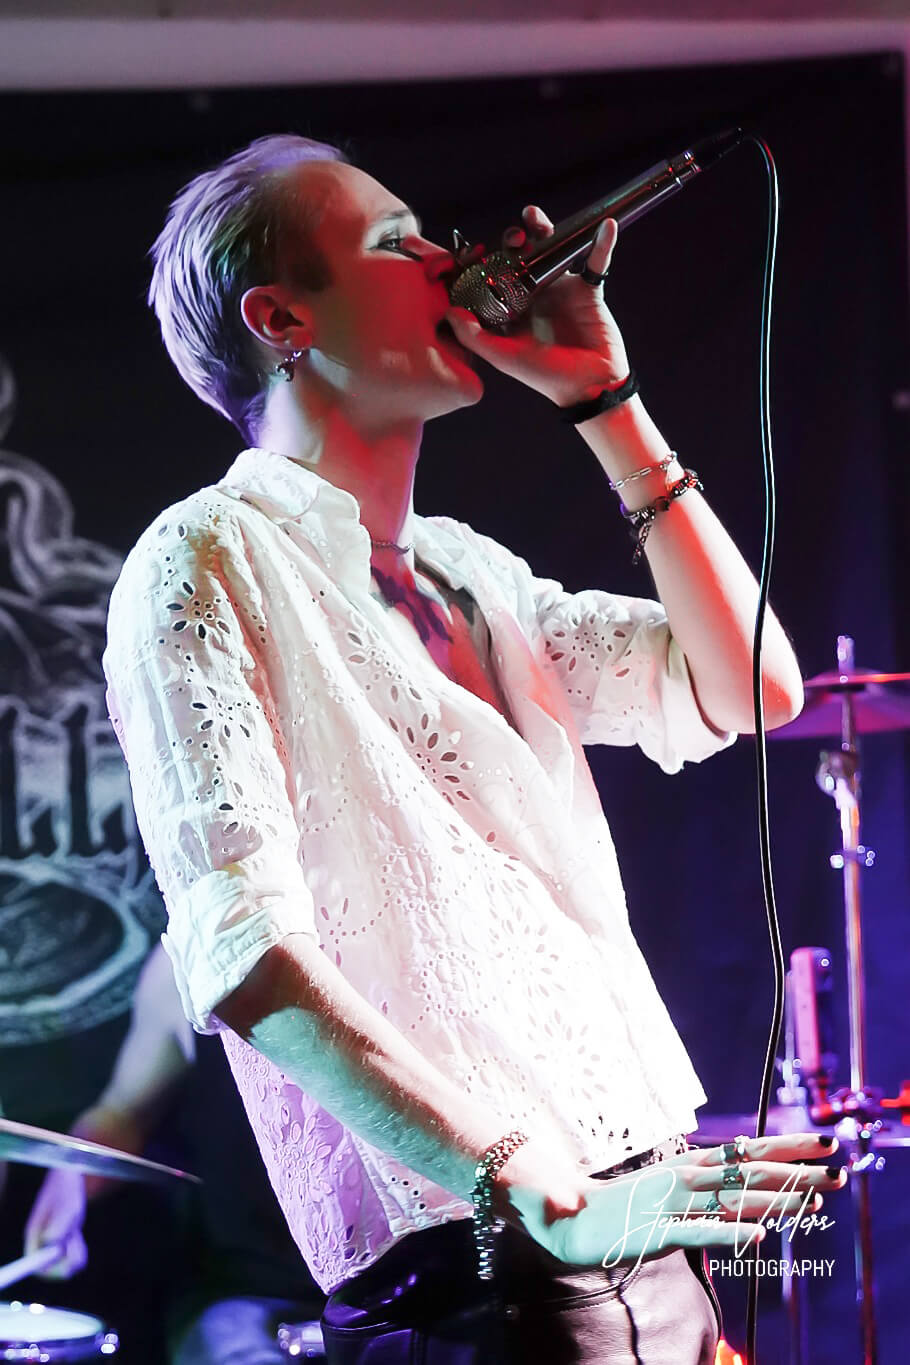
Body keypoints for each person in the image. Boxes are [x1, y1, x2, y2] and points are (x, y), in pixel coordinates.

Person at [103, 134, 845, 1363]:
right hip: (482, 1262)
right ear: (282, 317)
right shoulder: (205, 558)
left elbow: (753, 686)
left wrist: (605, 403)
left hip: (638, 1214)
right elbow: (242, 953)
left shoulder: (472, 570)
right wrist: (537, 1191)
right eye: (399, 243)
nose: (452, 262)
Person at [23, 942, 326, 1363]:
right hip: (249, 1289)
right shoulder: (184, 959)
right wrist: (69, 1181)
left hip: (395, 1292)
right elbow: (124, 1112)